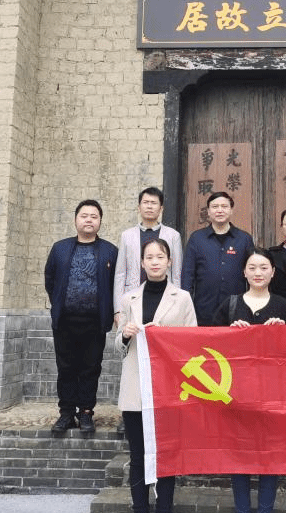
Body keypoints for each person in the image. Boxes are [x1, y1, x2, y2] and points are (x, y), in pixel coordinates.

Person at [213, 247, 286, 513]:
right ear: (244, 272)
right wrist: (229, 333)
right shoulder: (230, 304)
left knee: (268, 461)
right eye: (252, 267)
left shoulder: (284, 306)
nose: (258, 272)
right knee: (239, 460)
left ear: (272, 272)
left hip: (273, 396)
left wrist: (284, 333)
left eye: (264, 267)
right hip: (236, 397)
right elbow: (209, 348)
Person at [116, 238, 197, 513]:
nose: (154, 262)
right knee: (138, 457)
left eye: (160, 256)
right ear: (142, 263)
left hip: (169, 389)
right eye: (149, 257)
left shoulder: (183, 298)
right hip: (136, 387)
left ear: (169, 261)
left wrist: (166, 337)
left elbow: (192, 343)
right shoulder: (129, 298)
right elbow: (117, 345)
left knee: (166, 457)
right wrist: (125, 334)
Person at [44, 199, 118, 436]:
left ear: (100, 221)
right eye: (84, 216)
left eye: (94, 217)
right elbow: (50, 279)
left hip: (94, 322)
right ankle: (66, 413)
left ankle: (85, 412)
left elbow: (114, 284)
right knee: (66, 368)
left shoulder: (110, 251)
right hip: (65, 320)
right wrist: (61, 302)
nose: (89, 220)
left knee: (90, 368)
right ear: (76, 219)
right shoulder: (60, 248)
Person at [181, 191, 254, 326]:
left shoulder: (244, 239)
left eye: (224, 206)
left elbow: (252, 273)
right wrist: (186, 306)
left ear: (231, 210)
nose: (220, 210)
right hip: (203, 309)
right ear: (208, 212)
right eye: (215, 207)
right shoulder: (197, 238)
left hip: (237, 310)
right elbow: (187, 275)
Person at [113, 186, 183, 325]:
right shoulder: (127, 236)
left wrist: (178, 304)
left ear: (161, 208)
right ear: (139, 207)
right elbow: (120, 273)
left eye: (154, 203)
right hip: (134, 297)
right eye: (145, 203)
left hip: (164, 299)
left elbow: (176, 273)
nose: (149, 206)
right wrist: (118, 309)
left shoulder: (173, 236)